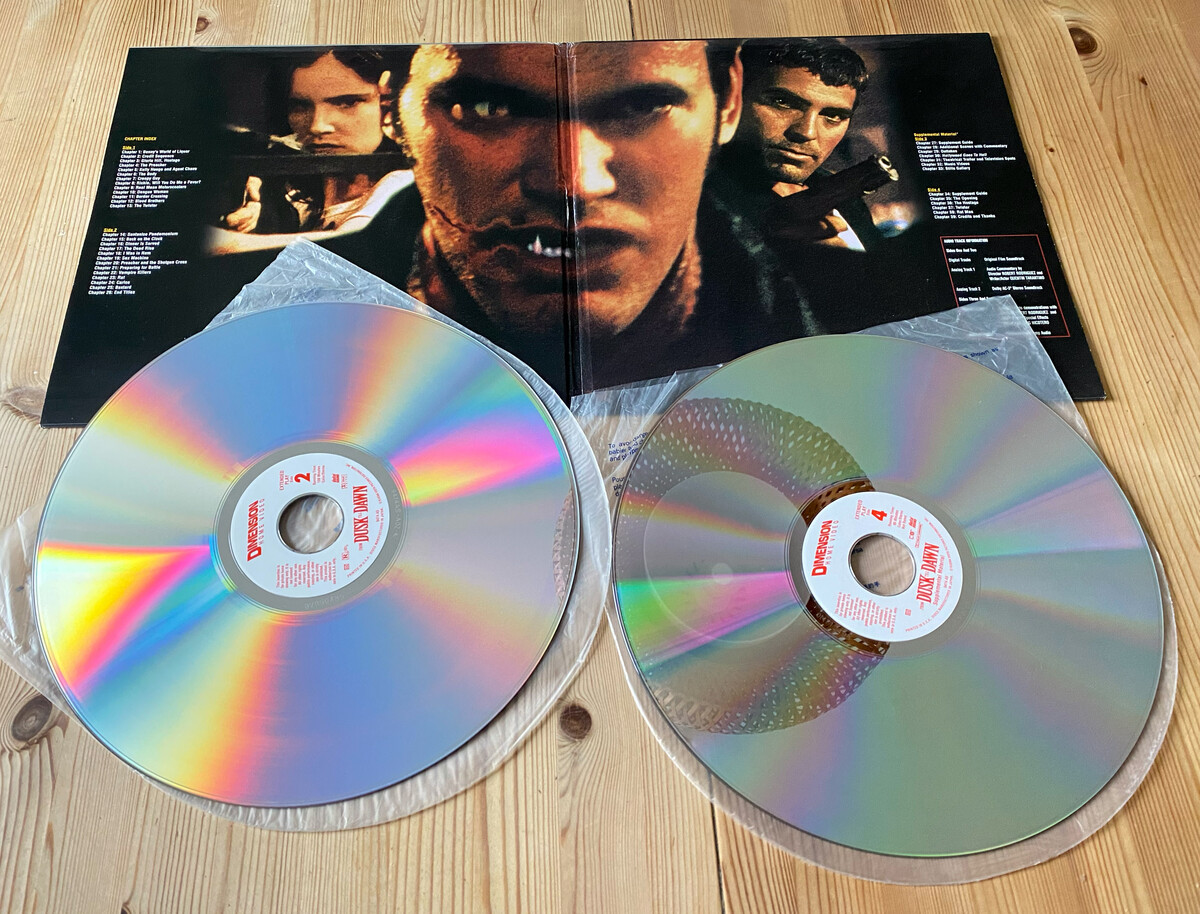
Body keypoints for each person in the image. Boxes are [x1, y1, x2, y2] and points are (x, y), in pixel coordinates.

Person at [325, 41, 824, 396]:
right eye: (488, 107)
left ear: (729, 102)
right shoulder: (287, 306)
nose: (574, 183)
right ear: (392, 111)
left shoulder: (853, 317)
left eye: (642, 105)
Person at [213, 49, 411, 250]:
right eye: (300, 106)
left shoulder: (405, 184)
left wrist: (225, 243)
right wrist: (259, 208)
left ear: (389, 106)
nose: (317, 126)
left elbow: (347, 248)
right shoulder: (295, 185)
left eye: (347, 103)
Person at [716, 39, 881, 250]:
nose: (806, 132)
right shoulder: (699, 205)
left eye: (833, 116)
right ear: (732, 99)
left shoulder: (844, 196)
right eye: (783, 103)